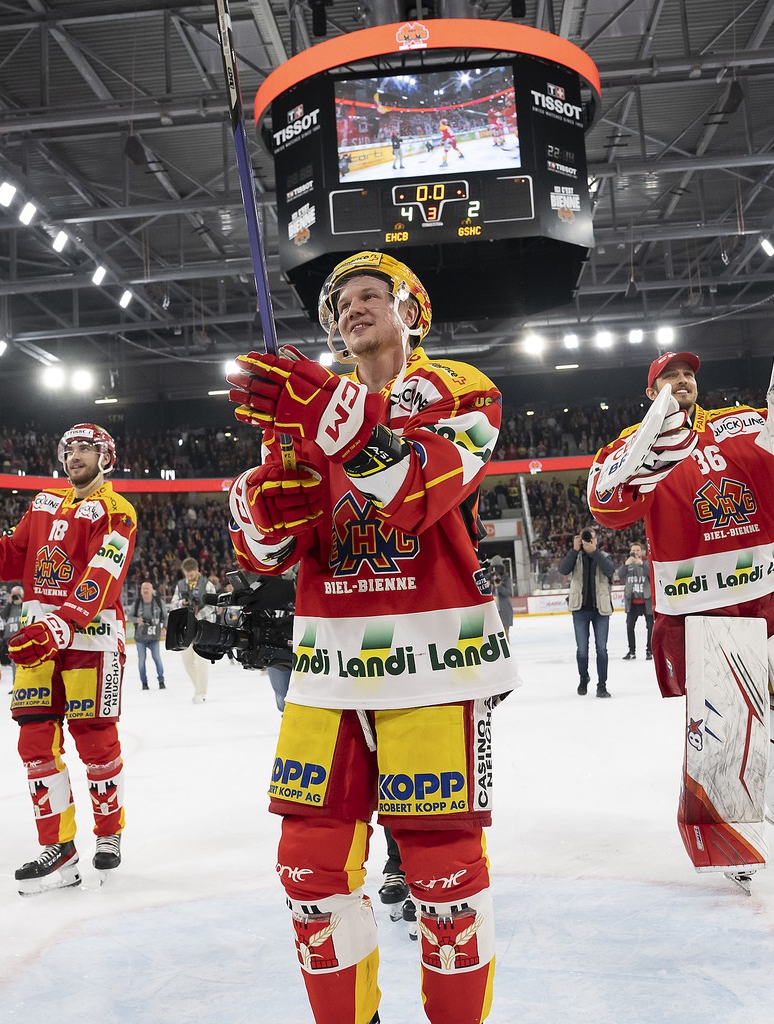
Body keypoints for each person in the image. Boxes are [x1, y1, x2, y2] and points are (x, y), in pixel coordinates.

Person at [225, 250, 515, 1024]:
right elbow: (269, 553)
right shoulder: (309, 409)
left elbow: (418, 489)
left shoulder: (461, 390)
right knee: (307, 868)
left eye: (366, 295)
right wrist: (258, 512)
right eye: (337, 305)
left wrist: (324, 416)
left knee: (443, 877)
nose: (349, 309)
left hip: (435, 660)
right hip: (327, 665)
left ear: (411, 309)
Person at [588, 349, 774, 893]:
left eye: (689, 373)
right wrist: (640, 463)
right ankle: (729, 835)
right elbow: (608, 508)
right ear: (651, 393)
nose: (683, 379)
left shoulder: (744, 424)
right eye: (670, 376)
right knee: (726, 733)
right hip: (702, 607)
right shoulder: (630, 446)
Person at [0, 423, 136, 893]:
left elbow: (104, 573)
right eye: (70, 448)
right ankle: (59, 848)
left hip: (90, 640)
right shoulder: (42, 503)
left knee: (96, 742)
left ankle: (109, 833)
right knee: (35, 745)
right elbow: (12, 556)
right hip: (37, 643)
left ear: (106, 457)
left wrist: (62, 623)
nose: (75, 455)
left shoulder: (118, 511)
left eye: (86, 448)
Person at [558, 528, 615, 696]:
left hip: (601, 610)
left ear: (596, 540)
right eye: (585, 537)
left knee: (601, 649)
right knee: (582, 650)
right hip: (580, 610)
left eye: (591, 538)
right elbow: (563, 570)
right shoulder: (575, 556)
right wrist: (574, 550)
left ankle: (602, 686)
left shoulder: (603, 556)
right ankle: (584, 678)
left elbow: (610, 571)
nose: (589, 540)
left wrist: (595, 552)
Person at [171, 558, 215, 704]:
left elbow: (212, 606)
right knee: (187, 662)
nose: (189, 577)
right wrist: (182, 604)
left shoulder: (207, 584)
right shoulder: (180, 585)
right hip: (185, 630)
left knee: (202, 661)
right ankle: (199, 688)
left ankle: (200, 692)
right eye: (187, 575)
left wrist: (197, 615)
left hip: (203, 628)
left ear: (197, 570)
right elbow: (173, 603)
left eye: (191, 574)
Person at [617, 540, 654, 661]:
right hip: (632, 601)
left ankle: (649, 650)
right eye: (633, 550)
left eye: (637, 550)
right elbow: (619, 575)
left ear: (642, 551)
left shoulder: (647, 562)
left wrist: (642, 563)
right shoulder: (628, 564)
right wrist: (625, 565)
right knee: (629, 627)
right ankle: (631, 651)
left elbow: (652, 575)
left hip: (646, 600)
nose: (635, 552)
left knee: (650, 627)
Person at [132, 580, 166, 690]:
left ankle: (161, 681)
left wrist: (164, 627)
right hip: (140, 638)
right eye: (143, 589)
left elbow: (165, 616)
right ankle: (144, 683)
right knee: (141, 661)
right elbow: (129, 617)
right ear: (141, 591)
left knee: (157, 658)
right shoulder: (137, 603)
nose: (145, 590)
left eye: (147, 588)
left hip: (154, 637)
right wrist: (137, 619)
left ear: (152, 590)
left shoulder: (159, 602)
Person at [0, 585, 24, 675]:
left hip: (22, 638)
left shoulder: (25, 606)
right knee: (14, 663)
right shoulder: (10, 607)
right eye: (13, 594)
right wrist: (9, 603)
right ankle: (15, 685)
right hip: (10, 639)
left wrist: (22, 602)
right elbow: (2, 616)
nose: (15, 596)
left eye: (17, 594)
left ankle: (22, 685)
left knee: (22, 663)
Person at [489, 556, 514, 640]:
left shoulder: (506, 579)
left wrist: (499, 586)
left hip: (504, 610)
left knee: (505, 634)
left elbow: (507, 592)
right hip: (493, 610)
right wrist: (489, 585)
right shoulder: (489, 578)